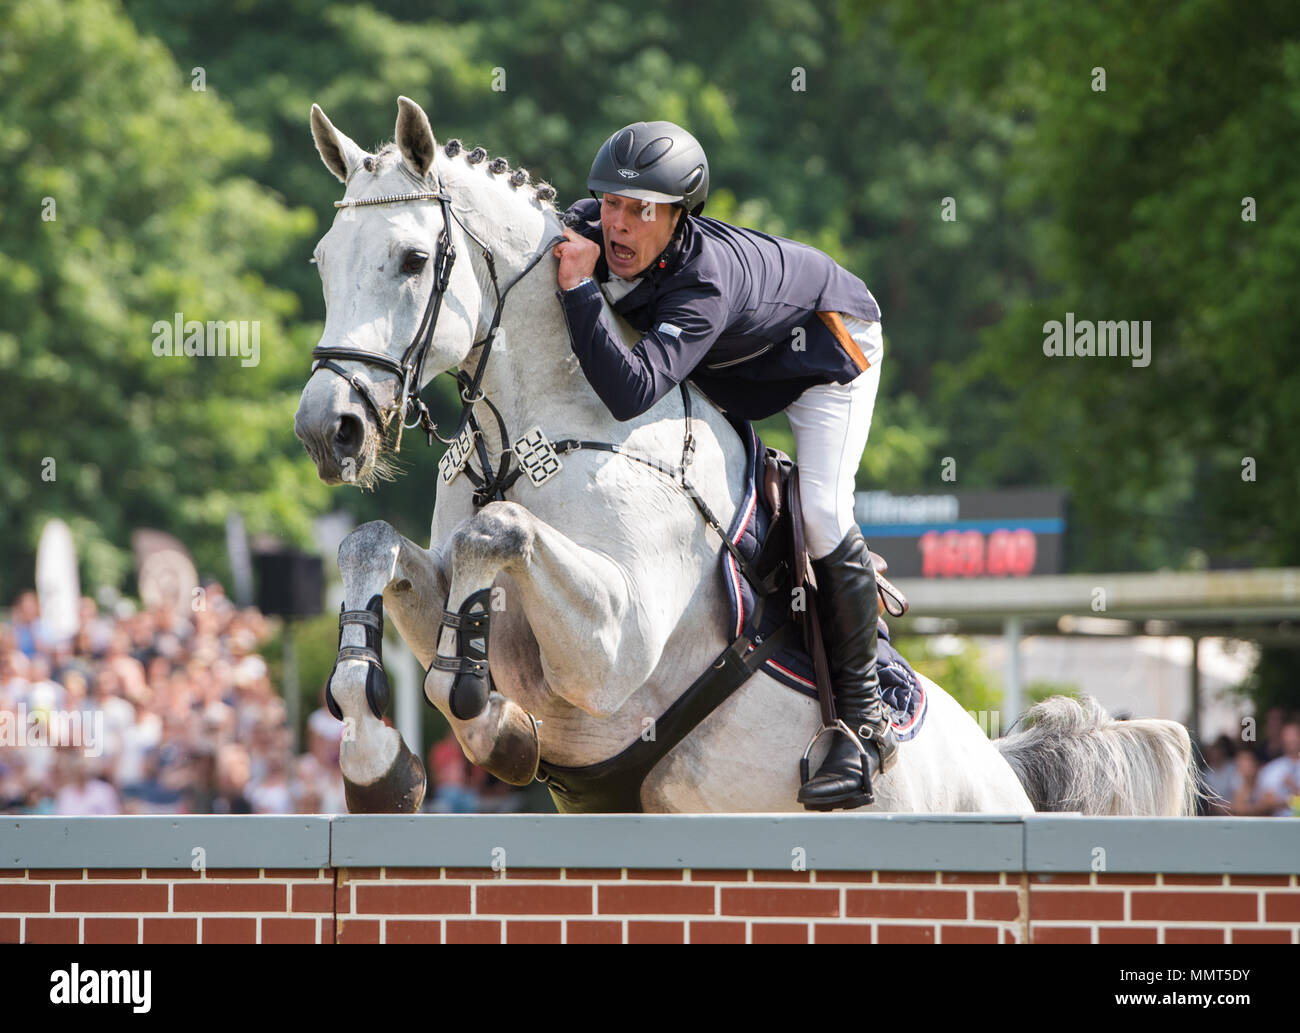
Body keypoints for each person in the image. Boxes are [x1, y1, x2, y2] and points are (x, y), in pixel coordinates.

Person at [552, 121, 894, 809]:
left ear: (678, 217)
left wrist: (580, 291)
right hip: (743, 371)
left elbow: (629, 393)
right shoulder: (598, 224)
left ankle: (866, 722)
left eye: (639, 209)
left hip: (829, 355)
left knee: (823, 512)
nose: (616, 224)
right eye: (610, 203)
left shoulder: (704, 284)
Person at [1256, 719, 1300, 817]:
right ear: (1281, 739)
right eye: (1287, 736)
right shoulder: (1271, 769)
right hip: (1278, 826)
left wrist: (1293, 787)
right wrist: (1292, 800)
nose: (1291, 740)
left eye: (1295, 735)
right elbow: (1263, 803)